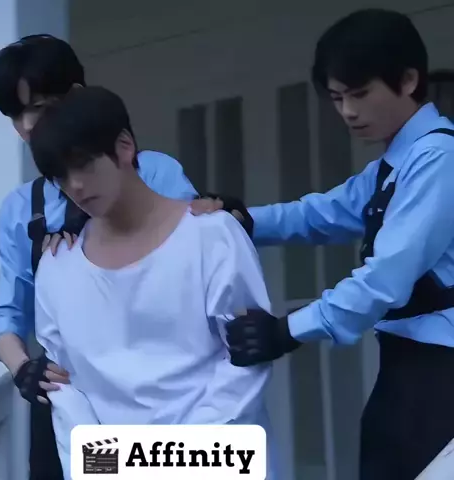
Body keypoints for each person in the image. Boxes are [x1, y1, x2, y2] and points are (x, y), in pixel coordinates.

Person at [0, 34, 251, 479]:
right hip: (73, 406)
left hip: (176, 417)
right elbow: (7, 315)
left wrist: (227, 216)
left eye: (39, 106)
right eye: (16, 115)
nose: (29, 125)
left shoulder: (156, 172)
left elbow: (189, 259)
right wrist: (23, 369)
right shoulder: (21, 210)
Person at [212, 9, 454, 480]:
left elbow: (385, 280)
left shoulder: (438, 158)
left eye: (360, 94)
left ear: (408, 80)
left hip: (441, 374)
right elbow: (321, 214)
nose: (347, 112)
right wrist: (238, 220)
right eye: (337, 97)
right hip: (408, 372)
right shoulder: (396, 162)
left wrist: (286, 331)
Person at [28, 85, 277, 479]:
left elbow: (246, 363)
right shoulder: (57, 268)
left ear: (124, 147)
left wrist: (167, 465)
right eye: (60, 175)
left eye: (84, 164)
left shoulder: (212, 236)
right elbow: (65, 392)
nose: (74, 185)